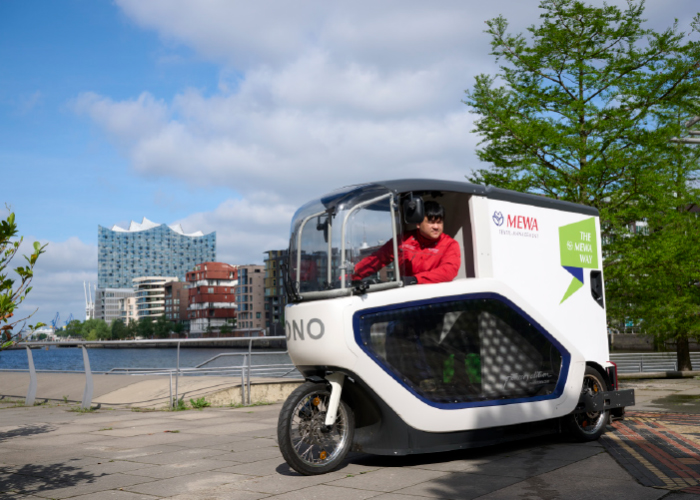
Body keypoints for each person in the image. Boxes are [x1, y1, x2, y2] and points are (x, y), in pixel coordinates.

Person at [352, 200, 461, 285]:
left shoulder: (450, 244)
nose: (436, 227)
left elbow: (448, 272)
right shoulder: (403, 240)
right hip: (406, 296)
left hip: (433, 299)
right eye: (431, 222)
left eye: (439, 222)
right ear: (418, 223)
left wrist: (415, 280)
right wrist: (351, 276)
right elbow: (377, 259)